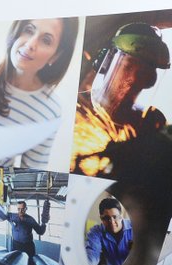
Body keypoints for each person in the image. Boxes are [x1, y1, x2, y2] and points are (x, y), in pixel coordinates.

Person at [0, 17, 79, 168]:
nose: (30, 44)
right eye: (29, 30)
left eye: (46, 40)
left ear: (56, 56)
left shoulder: (49, 111)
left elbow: (32, 173)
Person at [71, 22, 170, 176]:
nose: (133, 79)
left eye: (143, 72)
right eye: (128, 66)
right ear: (106, 62)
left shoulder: (150, 126)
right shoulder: (76, 111)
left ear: (151, 80)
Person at [86, 197, 133, 265]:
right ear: (101, 218)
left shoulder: (135, 228)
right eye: (106, 218)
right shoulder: (96, 232)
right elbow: (92, 253)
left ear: (121, 216)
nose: (112, 222)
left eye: (115, 217)